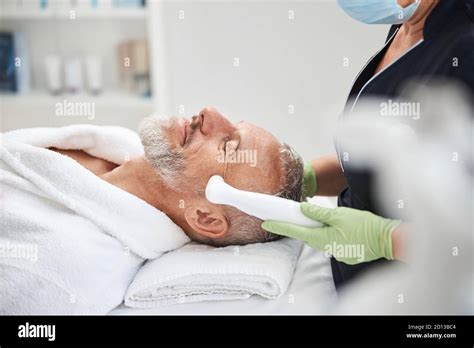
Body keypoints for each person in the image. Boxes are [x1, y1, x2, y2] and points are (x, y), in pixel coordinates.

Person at [261, 0, 474, 289]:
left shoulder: (464, 47)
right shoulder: (407, 24)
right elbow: (380, 167)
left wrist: (385, 238)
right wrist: (304, 179)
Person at [50, 106, 304, 246]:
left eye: (228, 146)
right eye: (233, 122)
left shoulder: (72, 248)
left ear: (205, 218)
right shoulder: (113, 145)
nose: (209, 113)